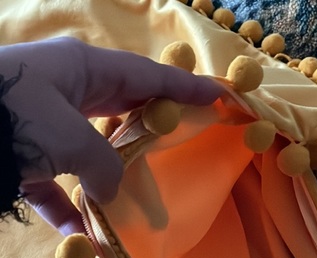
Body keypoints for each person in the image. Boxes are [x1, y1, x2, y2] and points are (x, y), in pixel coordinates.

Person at [0, 37, 223, 235]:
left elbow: (105, 167)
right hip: (68, 66)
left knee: (173, 85)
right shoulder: (29, 153)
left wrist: (105, 205)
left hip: (80, 72)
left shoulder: (39, 145)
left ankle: (215, 92)